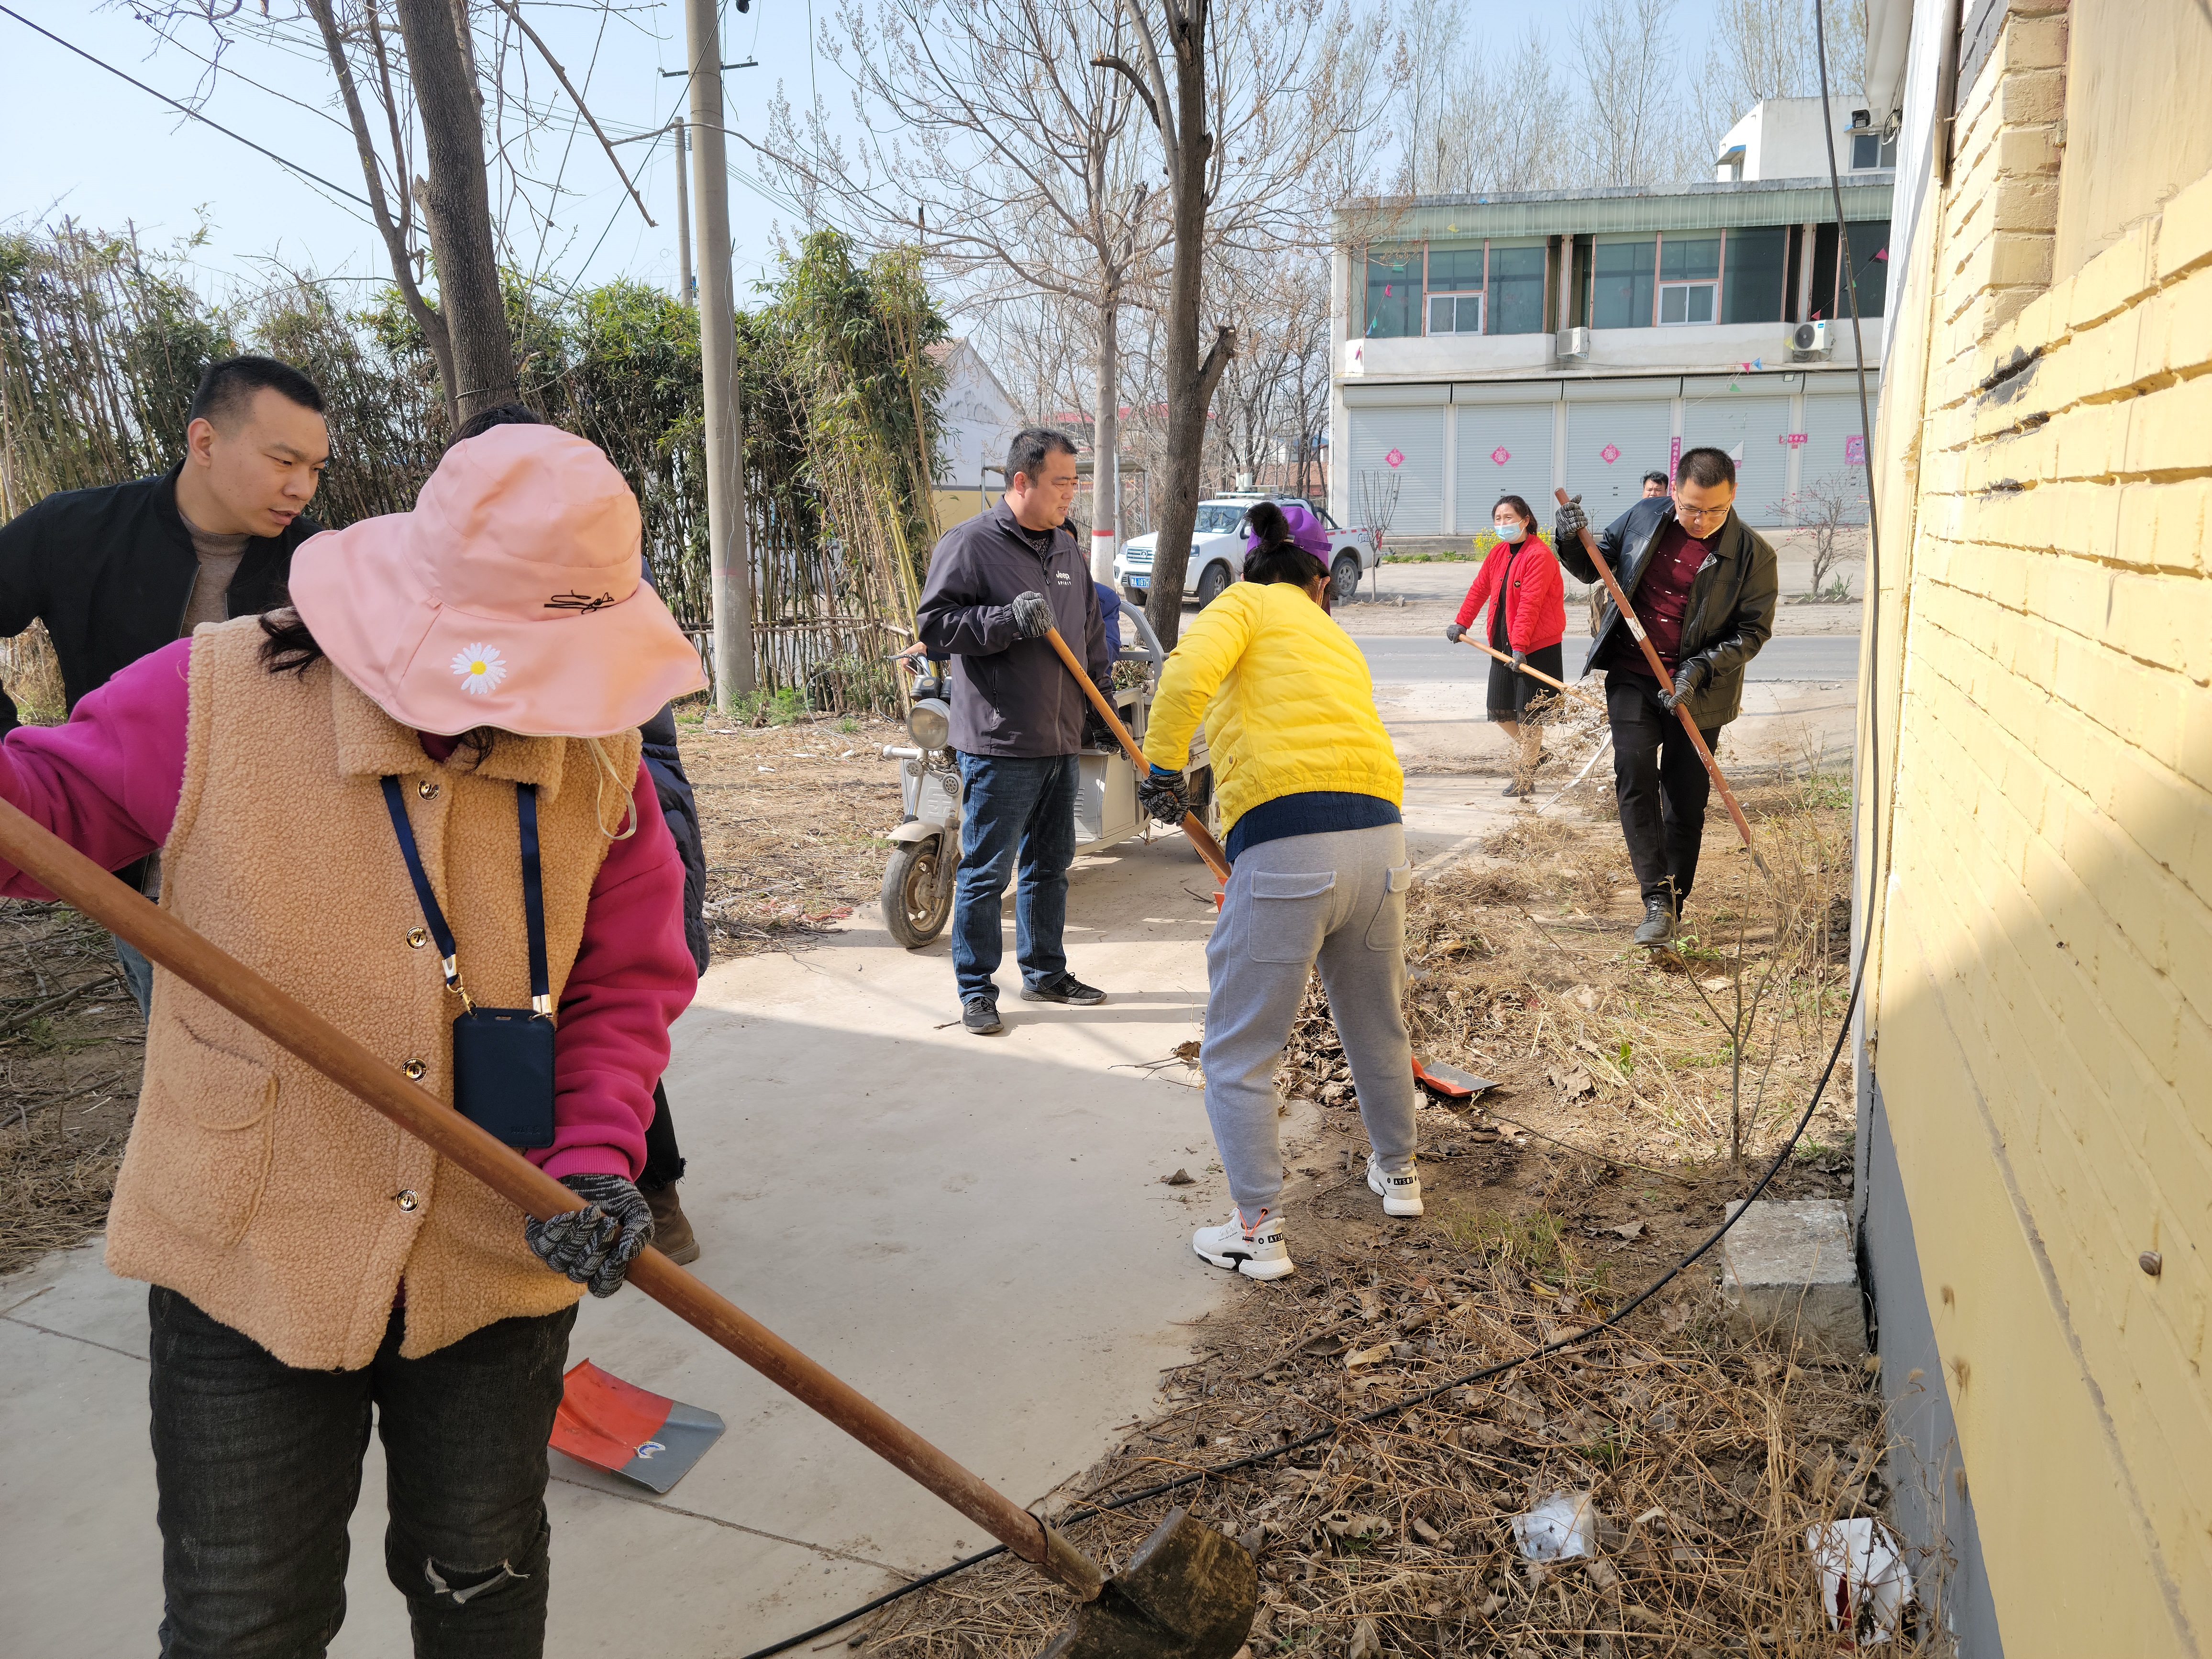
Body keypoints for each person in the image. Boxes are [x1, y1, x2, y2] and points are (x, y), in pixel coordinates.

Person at [0, 420, 702, 1655]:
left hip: (495, 1245)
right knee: (242, 1614)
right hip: (249, 1244)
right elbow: (43, 817)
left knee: (481, 1578)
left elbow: (626, 981)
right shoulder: (210, 694)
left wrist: (593, 1154)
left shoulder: (602, 757)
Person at [441, 403, 707, 1263]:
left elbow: (633, 981)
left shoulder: (596, 600)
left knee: (599, 1016)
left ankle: (642, 1182)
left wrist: (602, 833)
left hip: (613, 838)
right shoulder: (428, 610)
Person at [0, 354, 330, 1017]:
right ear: (204, 441)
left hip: (283, 871)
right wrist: (11, 746)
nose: (302, 489)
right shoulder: (75, 531)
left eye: (316, 470)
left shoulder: (320, 565)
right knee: (187, 1058)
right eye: (283, 461)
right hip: (138, 872)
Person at [1137, 500, 1415, 1282]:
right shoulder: (1332, 635)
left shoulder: (1242, 603)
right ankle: (1397, 1173)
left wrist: (1161, 769)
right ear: (1319, 580)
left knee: (1237, 1048)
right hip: (1381, 844)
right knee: (1375, 1023)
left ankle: (1256, 1229)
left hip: (1291, 847)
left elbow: (1187, 672)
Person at [918, 428, 1113, 1035]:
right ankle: (977, 989)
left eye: (1075, 485)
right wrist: (1004, 621)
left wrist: (1098, 708)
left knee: (1050, 865)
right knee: (984, 871)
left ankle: (1045, 972)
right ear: (1021, 481)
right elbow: (936, 627)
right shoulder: (971, 545)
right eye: (1061, 484)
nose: (1070, 497)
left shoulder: (1065, 550)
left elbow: (1088, 637)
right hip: (1001, 744)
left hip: (1060, 738)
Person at [1555, 447, 1777, 947]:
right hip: (1635, 673)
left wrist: (1696, 670)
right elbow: (1594, 566)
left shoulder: (1753, 556)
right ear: (1673, 492)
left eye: (1715, 510)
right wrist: (1568, 538)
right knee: (1633, 769)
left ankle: (1675, 901)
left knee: (1685, 797)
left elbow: (1752, 632)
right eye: (1692, 508)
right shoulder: (1643, 517)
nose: (1701, 521)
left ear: (1733, 497)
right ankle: (1654, 898)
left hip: (1700, 689)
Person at [1443, 495, 1565, 798]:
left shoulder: (1540, 556)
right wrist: (1462, 622)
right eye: (1498, 519)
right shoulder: (1499, 552)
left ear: (1525, 520)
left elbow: (1531, 605)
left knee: (1530, 715)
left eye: (1509, 518)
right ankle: (1536, 753)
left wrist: (1521, 646)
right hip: (1503, 643)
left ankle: (1524, 777)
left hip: (1536, 646)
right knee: (1500, 710)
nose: (1503, 524)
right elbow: (1479, 588)